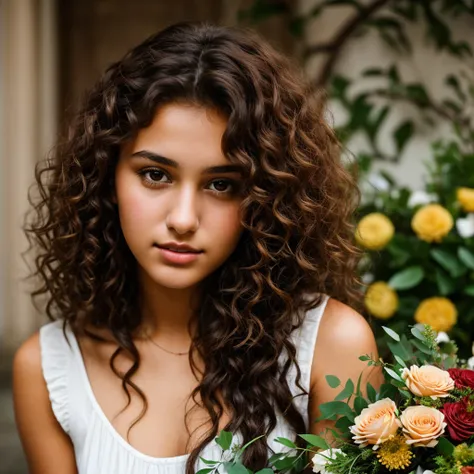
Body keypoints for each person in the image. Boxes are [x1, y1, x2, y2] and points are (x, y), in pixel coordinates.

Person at [12, 21, 382, 474]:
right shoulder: (49, 371)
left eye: (222, 184)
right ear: (106, 178)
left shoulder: (330, 347)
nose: (183, 219)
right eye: (155, 175)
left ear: (266, 199)